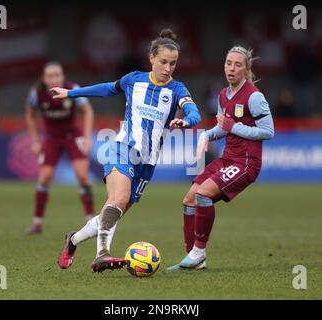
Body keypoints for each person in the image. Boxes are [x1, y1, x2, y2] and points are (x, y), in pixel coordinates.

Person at [51, 29, 202, 272]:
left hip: (147, 162)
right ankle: (102, 254)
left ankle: (74, 240)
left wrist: (188, 121)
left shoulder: (177, 90)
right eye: (163, 62)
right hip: (123, 148)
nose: (168, 68)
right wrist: (70, 93)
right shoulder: (134, 79)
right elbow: (107, 88)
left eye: (173, 63)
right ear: (151, 58)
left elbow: (194, 111)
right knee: (118, 198)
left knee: (114, 212)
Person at [167, 46, 274, 270]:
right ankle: (193, 258)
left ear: (246, 69)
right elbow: (223, 128)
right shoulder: (223, 95)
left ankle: (198, 252)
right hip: (227, 158)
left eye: (237, 64)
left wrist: (233, 125)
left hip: (246, 162)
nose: (232, 69)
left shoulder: (255, 97)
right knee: (190, 199)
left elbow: (268, 131)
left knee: (204, 194)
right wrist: (206, 134)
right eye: (228, 63)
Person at [25, 61, 95, 234]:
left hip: (73, 136)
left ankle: (91, 221)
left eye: (57, 75)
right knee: (45, 177)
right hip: (51, 138)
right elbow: (30, 115)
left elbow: (87, 110)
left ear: (63, 77)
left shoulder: (72, 88)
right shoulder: (37, 94)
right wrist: (34, 141)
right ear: (44, 79)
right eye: (50, 76)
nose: (54, 78)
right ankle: (37, 223)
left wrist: (86, 137)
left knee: (82, 176)